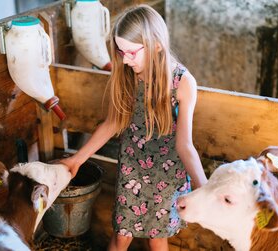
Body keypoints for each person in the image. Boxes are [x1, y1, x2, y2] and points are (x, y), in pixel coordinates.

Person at [60, 4, 207, 251]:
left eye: (131, 52)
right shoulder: (129, 74)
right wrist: (77, 159)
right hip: (133, 166)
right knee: (121, 236)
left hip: (168, 171)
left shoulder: (182, 82)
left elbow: (185, 145)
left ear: (157, 45)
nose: (125, 59)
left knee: (157, 238)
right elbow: (114, 122)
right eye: (120, 52)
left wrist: (204, 187)